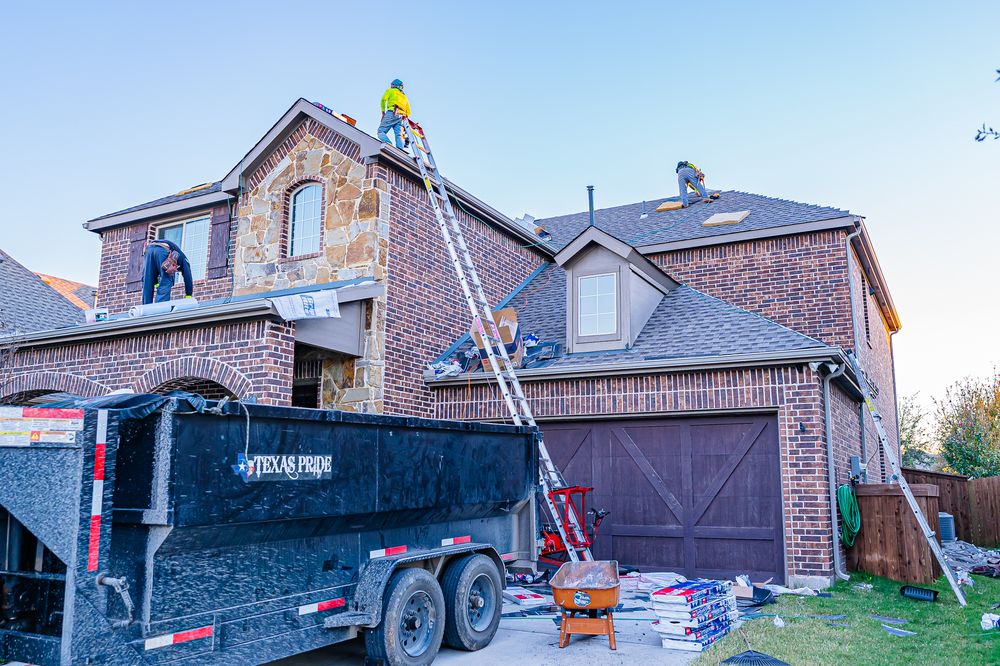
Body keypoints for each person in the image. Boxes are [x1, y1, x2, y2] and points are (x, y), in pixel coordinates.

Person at [141, 239, 194, 305]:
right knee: (166, 281)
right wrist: (188, 295)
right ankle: (160, 309)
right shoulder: (185, 261)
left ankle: (145, 308)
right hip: (162, 250)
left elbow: (151, 273)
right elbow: (188, 278)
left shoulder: (177, 254)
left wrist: (156, 284)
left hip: (149, 250)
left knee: (147, 280)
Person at [378, 79, 411, 149]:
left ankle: (388, 144)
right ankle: (400, 149)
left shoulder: (391, 91)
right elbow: (408, 111)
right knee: (399, 135)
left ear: (395, 85)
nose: (390, 86)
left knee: (380, 131)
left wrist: (383, 112)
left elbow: (383, 100)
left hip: (392, 112)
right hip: (402, 117)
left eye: (392, 84)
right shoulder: (404, 96)